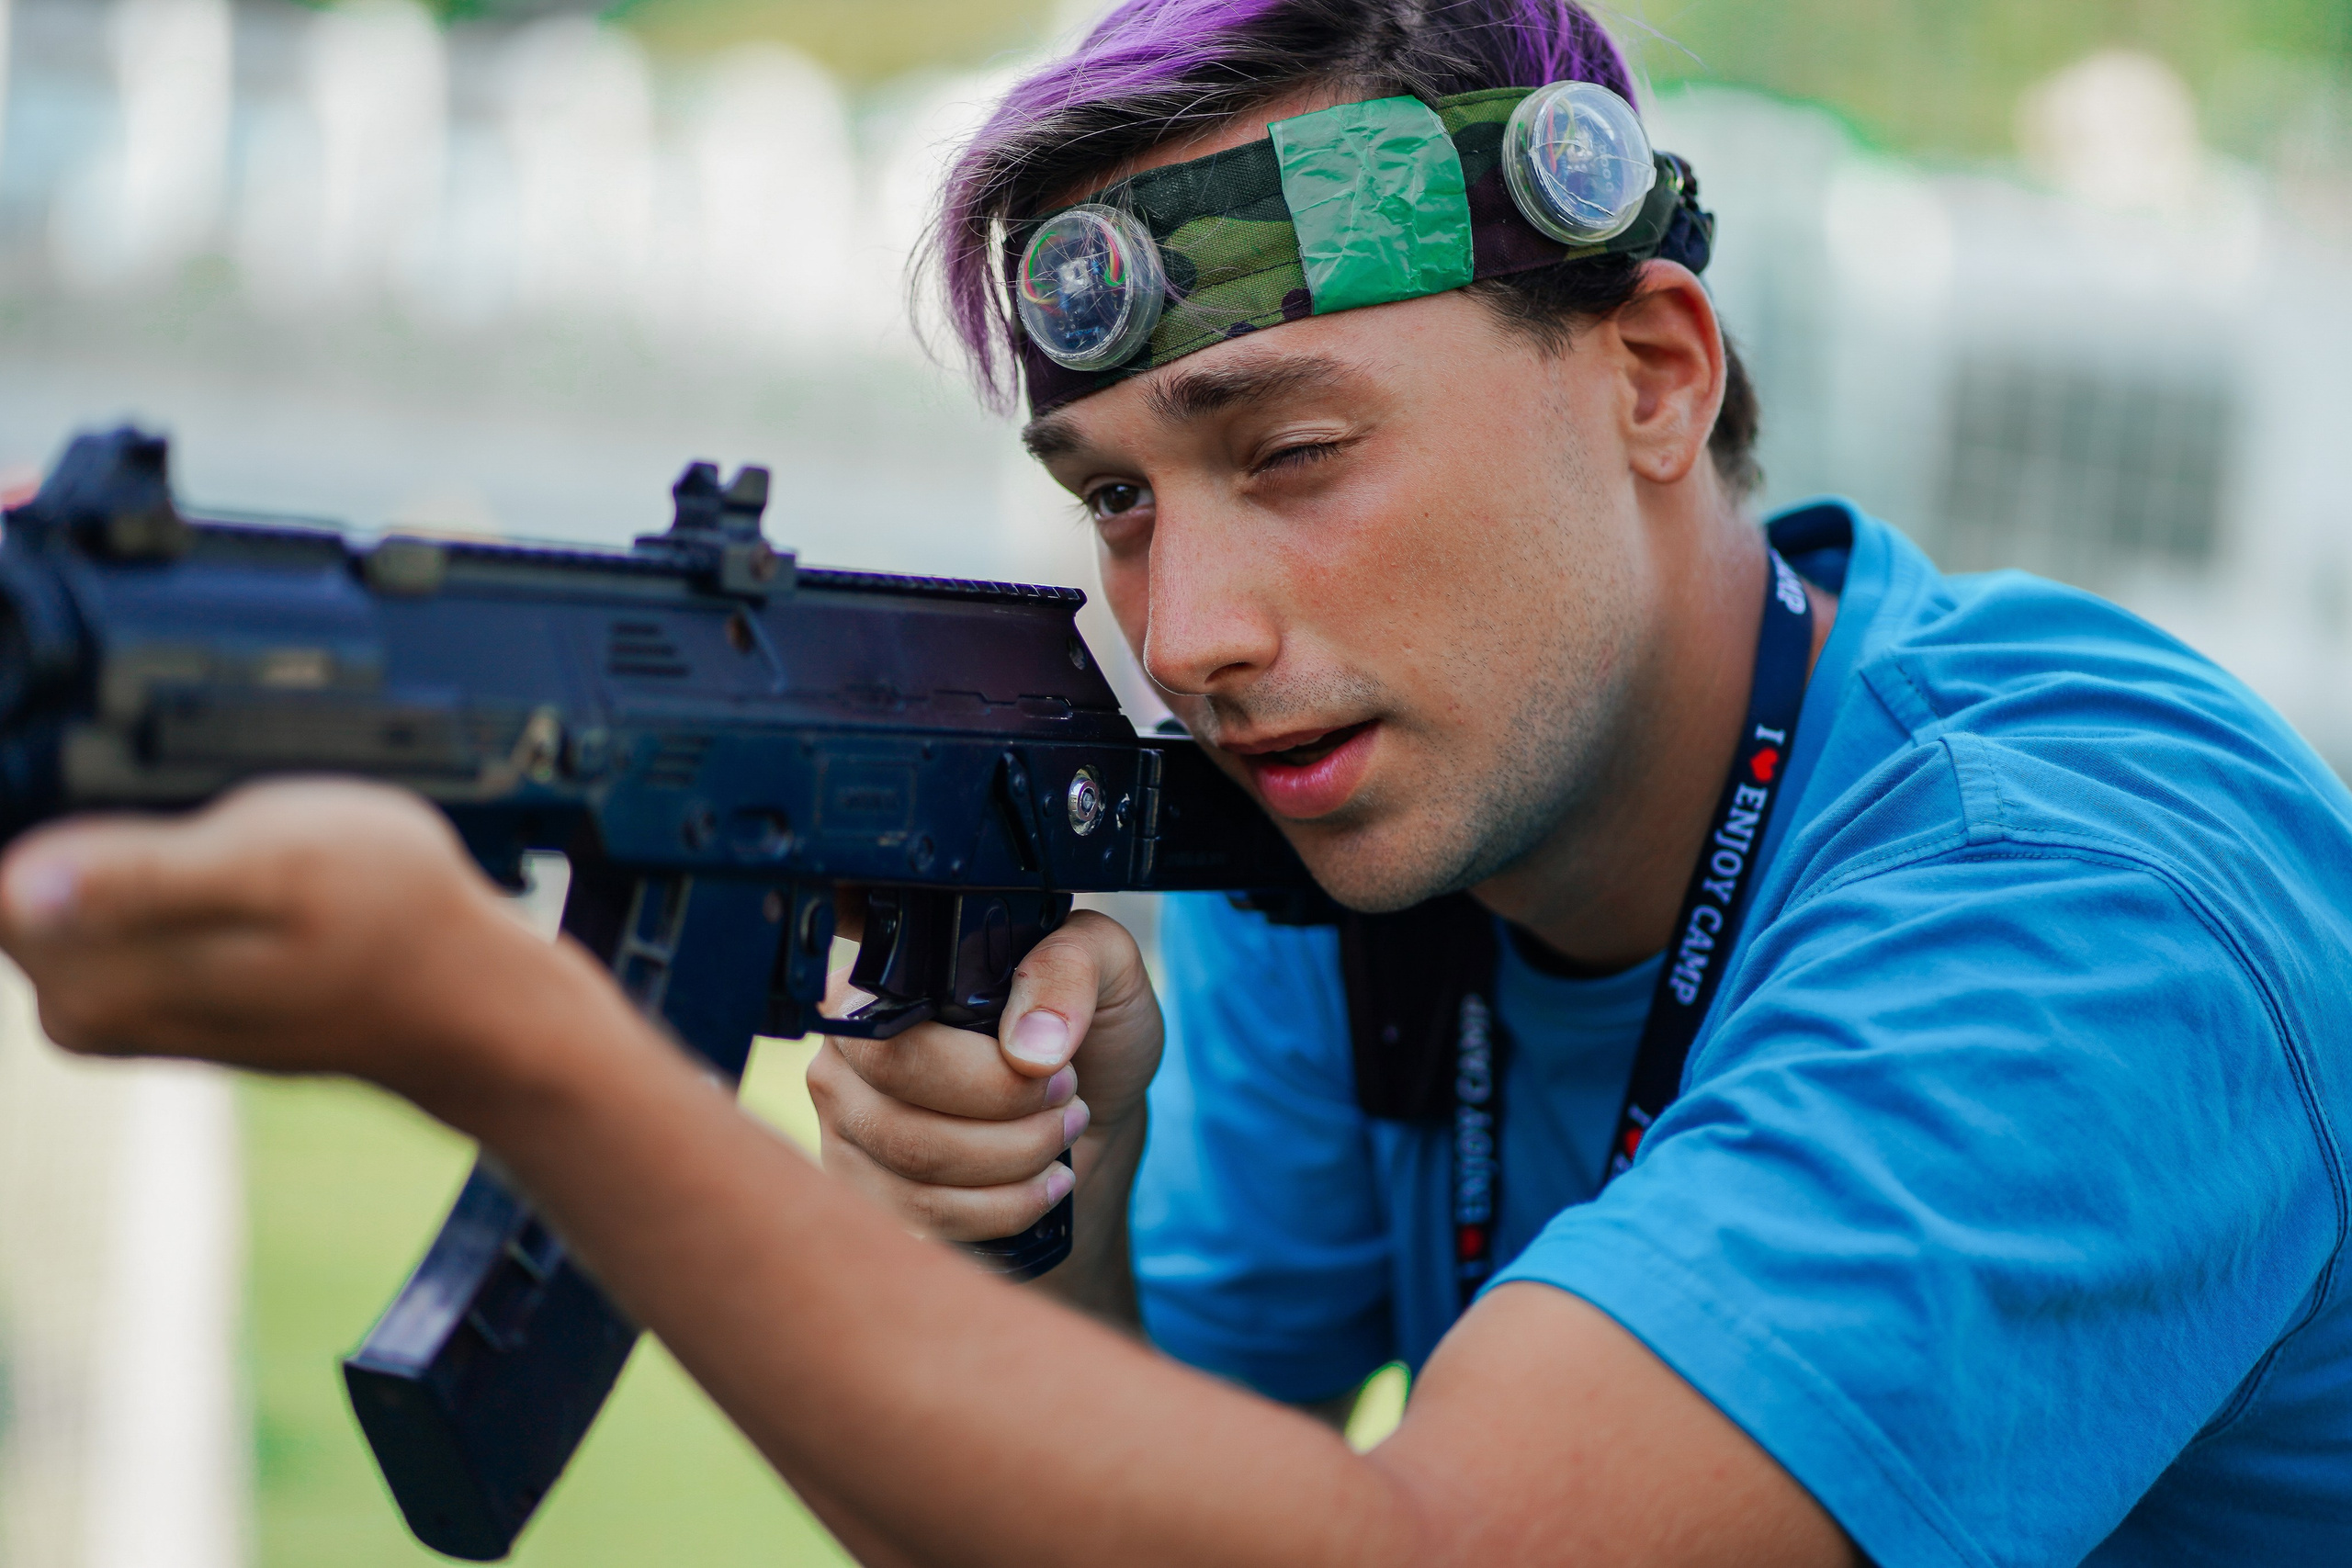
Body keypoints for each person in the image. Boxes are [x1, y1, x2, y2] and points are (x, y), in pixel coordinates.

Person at [6, 1, 2349, 1562]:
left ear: (1649, 368)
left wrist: (513, 1052)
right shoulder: (1372, 823)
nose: (1190, 629)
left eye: (1294, 452)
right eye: (1115, 498)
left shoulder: (2073, 894)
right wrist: (1051, 1214)